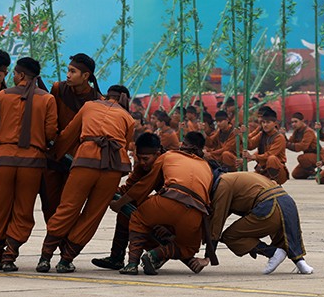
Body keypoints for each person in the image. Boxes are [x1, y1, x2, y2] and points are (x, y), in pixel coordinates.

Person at [37, 88, 135, 273]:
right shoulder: (127, 117)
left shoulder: (89, 106)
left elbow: (68, 134)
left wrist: (54, 155)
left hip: (85, 161)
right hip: (112, 168)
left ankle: (45, 257)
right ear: (125, 100)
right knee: (93, 215)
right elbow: (126, 143)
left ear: (105, 96)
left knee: (68, 208)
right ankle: (66, 260)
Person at [0, 57, 57, 272]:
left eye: (15, 73)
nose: (13, 77)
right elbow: (51, 132)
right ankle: (10, 254)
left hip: (5, 159)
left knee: (1, 206)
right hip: (32, 162)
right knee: (23, 209)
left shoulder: (3, 96)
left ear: (22, 75)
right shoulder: (47, 99)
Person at [119, 131, 213, 276]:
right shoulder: (206, 167)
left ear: (182, 146)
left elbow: (143, 186)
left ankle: (132, 264)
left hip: (168, 201)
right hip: (195, 211)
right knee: (188, 248)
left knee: (137, 219)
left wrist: (118, 203)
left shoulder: (168, 156)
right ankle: (154, 255)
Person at [209, 170, 314, 275]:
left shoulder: (223, 183)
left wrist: (208, 256)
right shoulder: (236, 176)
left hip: (269, 207)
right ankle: (301, 263)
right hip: (287, 203)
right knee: (286, 235)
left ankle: (272, 252)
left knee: (230, 236)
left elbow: (217, 219)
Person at [92, 132, 164, 271]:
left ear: (158, 153)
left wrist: (119, 203)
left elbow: (141, 190)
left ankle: (157, 254)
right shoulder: (142, 167)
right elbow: (128, 188)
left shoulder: (168, 164)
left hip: (175, 211)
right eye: (139, 158)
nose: (142, 163)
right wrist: (106, 190)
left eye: (146, 159)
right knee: (125, 213)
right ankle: (116, 258)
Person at [41, 54, 101, 220]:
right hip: (54, 155)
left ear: (85, 76)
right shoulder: (58, 89)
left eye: (73, 71)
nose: (68, 75)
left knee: (69, 206)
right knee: (49, 204)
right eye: (68, 70)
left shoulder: (97, 100)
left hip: (78, 160)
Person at [245, 106, 289, 184]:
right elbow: (250, 145)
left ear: (275, 123)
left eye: (268, 122)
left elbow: (270, 154)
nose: (265, 125)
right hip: (263, 169)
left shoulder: (279, 137)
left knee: (272, 158)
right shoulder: (262, 134)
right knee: (248, 181)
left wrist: (254, 157)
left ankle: (274, 183)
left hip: (278, 171)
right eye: (263, 122)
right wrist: (243, 134)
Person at [286, 112, 318, 179]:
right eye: (292, 122)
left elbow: (302, 146)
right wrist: (283, 136)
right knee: (296, 174)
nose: (293, 124)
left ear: (302, 121)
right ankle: (310, 172)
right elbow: (289, 142)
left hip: (317, 156)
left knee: (301, 158)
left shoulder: (308, 131)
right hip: (307, 157)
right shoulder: (296, 131)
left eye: (295, 122)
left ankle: (313, 173)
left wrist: (287, 144)